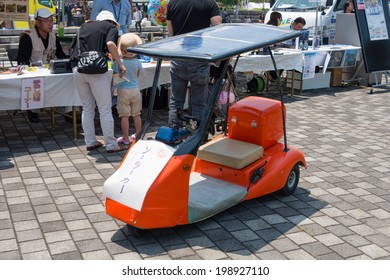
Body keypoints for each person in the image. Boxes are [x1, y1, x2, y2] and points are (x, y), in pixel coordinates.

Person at [70, 11, 128, 153]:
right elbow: (110, 43)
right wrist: (120, 64)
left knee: (87, 107)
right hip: (97, 71)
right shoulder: (111, 28)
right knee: (104, 108)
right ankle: (111, 145)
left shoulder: (83, 27)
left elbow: (72, 49)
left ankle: (90, 142)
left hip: (78, 69)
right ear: (112, 22)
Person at [166, 0, 222, 126]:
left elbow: (170, 34)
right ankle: (197, 135)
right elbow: (218, 26)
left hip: (178, 56)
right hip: (199, 57)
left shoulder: (173, 3)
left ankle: (173, 132)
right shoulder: (209, 3)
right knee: (198, 102)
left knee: (176, 101)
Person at [17, 8, 67, 123]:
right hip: (34, 74)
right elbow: (22, 60)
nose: (50, 24)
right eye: (47, 21)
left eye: (51, 20)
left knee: (66, 80)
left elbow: (60, 54)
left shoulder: (54, 36)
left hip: (51, 72)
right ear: (37, 23)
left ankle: (68, 110)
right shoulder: (27, 37)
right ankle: (32, 110)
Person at [113, 33, 143, 145]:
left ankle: (125, 138)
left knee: (124, 116)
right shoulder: (138, 62)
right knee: (136, 114)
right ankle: (138, 135)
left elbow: (116, 77)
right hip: (135, 89)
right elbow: (138, 75)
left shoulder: (118, 63)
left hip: (123, 90)